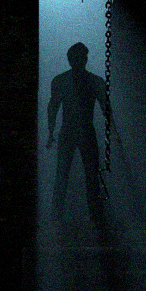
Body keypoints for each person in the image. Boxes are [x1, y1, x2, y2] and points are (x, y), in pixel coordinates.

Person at [47, 42, 112, 223]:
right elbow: (106, 109)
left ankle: (59, 215)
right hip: (79, 131)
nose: (80, 61)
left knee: (76, 175)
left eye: (81, 58)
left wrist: (51, 132)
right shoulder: (94, 81)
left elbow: (53, 108)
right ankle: (94, 216)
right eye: (78, 58)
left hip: (74, 131)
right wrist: (51, 131)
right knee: (83, 175)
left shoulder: (62, 81)